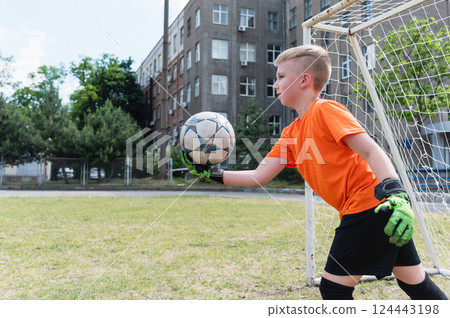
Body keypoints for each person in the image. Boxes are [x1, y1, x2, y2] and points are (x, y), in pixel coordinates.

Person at [181, 45, 447, 300]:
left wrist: (396, 191)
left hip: (369, 207)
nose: (275, 84)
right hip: (368, 211)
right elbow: (258, 176)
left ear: (305, 79)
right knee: (415, 282)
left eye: (281, 76)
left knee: (333, 289)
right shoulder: (291, 134)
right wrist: (210, 174)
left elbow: (371, 150)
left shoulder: (325, 110)